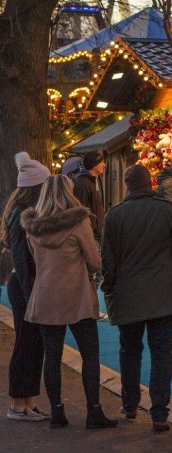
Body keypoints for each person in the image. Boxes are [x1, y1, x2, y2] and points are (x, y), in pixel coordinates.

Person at [101, 164, 172, 432]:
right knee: (161, 352)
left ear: (127, 186)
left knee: (129, 350)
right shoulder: (167, 210)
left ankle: (130, 403)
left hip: (128, 294)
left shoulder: (115, 215)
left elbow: (107, 258)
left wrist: (109, 286)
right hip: (162, 293)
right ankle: (159, 412)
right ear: (150, 183)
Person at [21, 175, 117, 429]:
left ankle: (57, 412)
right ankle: (93, 411)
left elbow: (34, 260)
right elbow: (94, 261)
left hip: (45, 297)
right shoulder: (78, 222)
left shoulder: (33, 227)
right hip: (77, 297)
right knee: (90, 354)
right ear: (68, 193)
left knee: (52, 356)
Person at [3, 152, 49, 421]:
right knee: (26, 343)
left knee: (32, 343)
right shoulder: (22, 214)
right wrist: (31, 293)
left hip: (25, 285)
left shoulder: (20, 211)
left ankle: (26, 401)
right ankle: (17, 404)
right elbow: (21, 259)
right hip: (25, 287)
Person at [72, 150, 106, 246]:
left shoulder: (93, 181)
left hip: (96, 234)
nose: (104, 165)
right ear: (94, 165)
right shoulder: (83, 183)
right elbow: (80, 210)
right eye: (101, 162)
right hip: (90, 236)